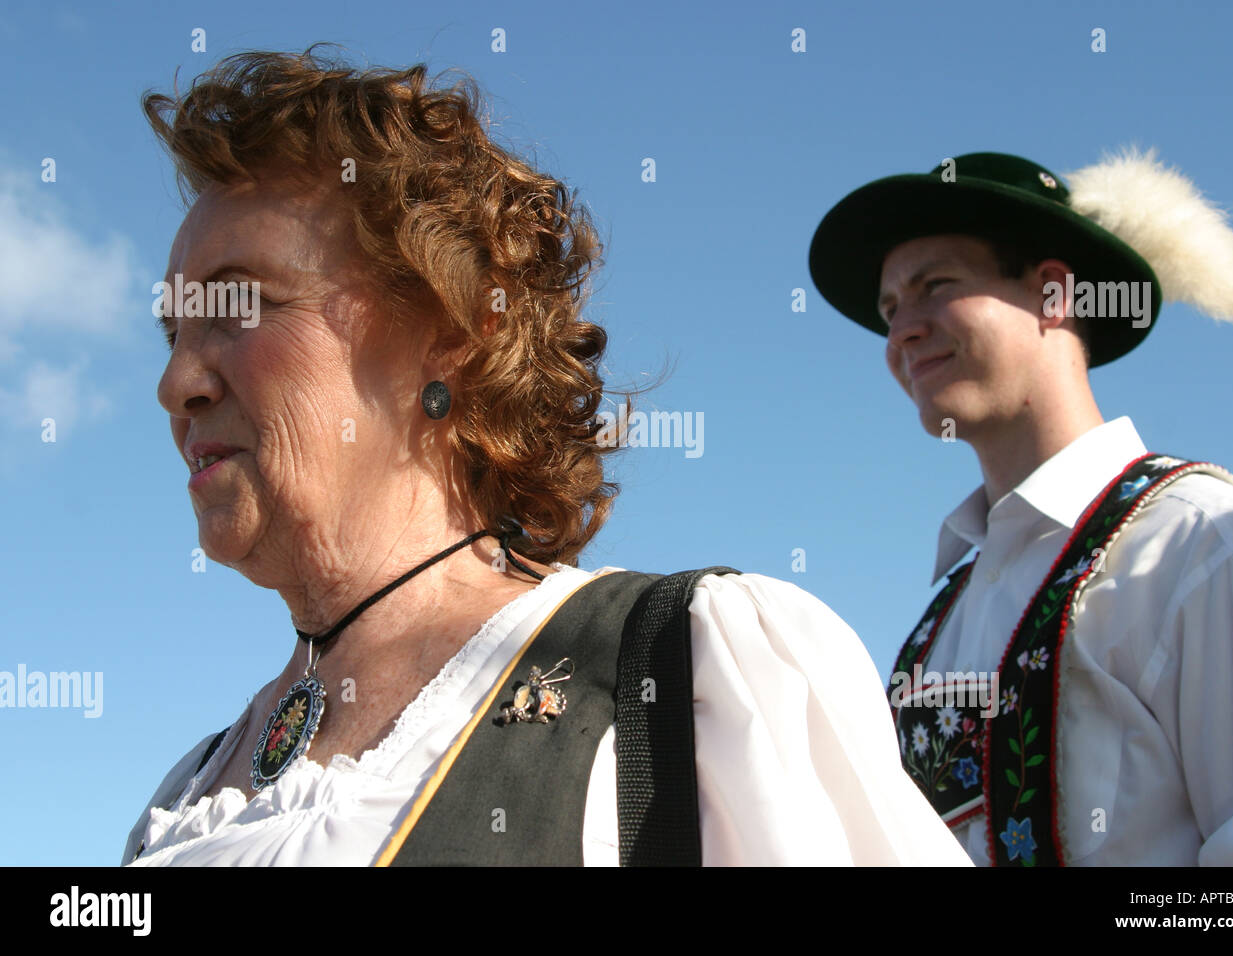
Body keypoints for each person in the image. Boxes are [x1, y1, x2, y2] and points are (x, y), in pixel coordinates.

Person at [121, 47, 968, 866]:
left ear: (450, 329)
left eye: (239, 307)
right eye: (172, 330)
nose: (176, 382)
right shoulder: (184, 797)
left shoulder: (683, 674)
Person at [808, 149, 1233, 865]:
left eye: (935, 285)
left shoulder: (1213, 545)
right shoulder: (941, 621)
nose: (901, 332)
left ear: (1053, 295)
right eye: (889, 310)